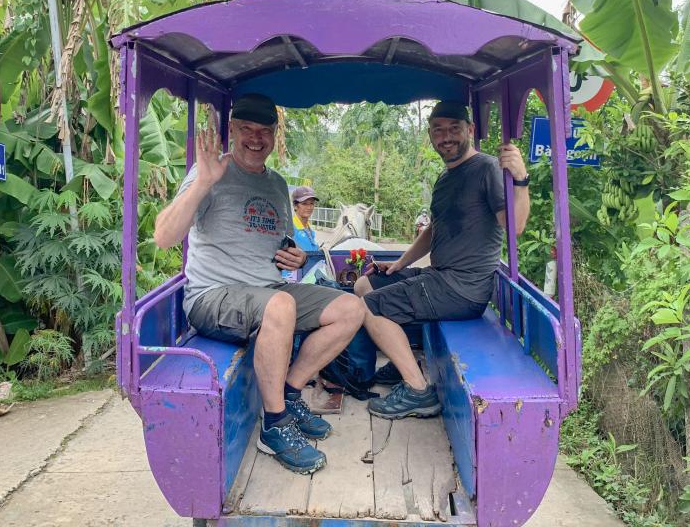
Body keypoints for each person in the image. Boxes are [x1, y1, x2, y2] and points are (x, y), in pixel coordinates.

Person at [154, 93, 366, 475]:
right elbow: (165, 237)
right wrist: (203, 183)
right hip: (213, 296)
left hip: (268, 292)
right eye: (247, 129)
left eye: (264, 130)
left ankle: (290, 390)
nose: (256, 138)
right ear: (232, 131)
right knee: (279, 306)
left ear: (273, 135)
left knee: (351, 307)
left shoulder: (277, 184)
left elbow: (283, 243)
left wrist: (297, 257)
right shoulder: (209, 173)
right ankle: (274, 424)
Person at [354, 100, 530, 420]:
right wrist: (399, 265)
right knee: (364, 284)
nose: (446, 137)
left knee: (368, 308)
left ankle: (418, 391)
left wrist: (520, 180)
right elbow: (434, 230)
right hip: (439, 278)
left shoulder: (487, 168)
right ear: (431, 136)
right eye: (438, 131)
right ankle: (405, 360)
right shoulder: (446, 178)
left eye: (454, 129)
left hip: (463, 288)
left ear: (470, 131)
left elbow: (515, 226)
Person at [291, 186, 319, 251]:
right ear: (295, 206)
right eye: (304, 204)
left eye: (311, 203)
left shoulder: (309, 228)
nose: (309, 207)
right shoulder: (290, 230)